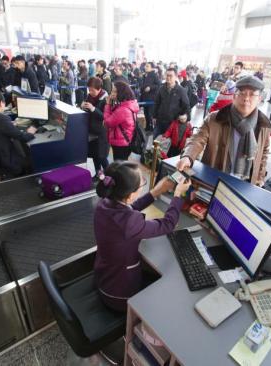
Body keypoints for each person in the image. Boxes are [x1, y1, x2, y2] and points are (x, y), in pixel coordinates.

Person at [94, 160, 191, 311]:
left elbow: (129, 207)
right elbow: (167, 225)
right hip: (120, 296)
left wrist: (155, 192)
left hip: (105, 278)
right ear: (131, 194)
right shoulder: (130, 222)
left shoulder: (104, 203)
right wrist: (178, 195)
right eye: (142, 184)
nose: (142, 186)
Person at [177, 76, 271, 187]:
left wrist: (260, 176)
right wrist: (188, 156)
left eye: (252, 94)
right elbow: (198, 139)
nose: (246, 98)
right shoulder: (215, 118)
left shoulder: (263, 125)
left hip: (245, 184)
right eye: (242, 93)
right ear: (234, 96)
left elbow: (264, 152)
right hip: (215, 180)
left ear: (259, 99)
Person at [103, 81, 139, 161]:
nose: (112, 93)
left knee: (119, 167)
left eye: (115, 91)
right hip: (125, 140)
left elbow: (108, 122)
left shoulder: (123, 110)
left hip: (121, 143)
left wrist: (107, 105)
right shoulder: (128, 104)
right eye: (112, 90)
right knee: (122, 165)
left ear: (121, 93)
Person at [81, 77, 109, 177]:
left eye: (92, 90)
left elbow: (105, 116)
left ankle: (110, 175)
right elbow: (86, 110)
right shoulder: (89, 96)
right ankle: (98, 174)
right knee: (94, 155)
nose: (90, 92)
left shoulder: (106, 99)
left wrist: (93, 108)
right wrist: (83, 106)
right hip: (91, 131)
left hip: (101, 133)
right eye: (89, 89)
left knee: (102, 156)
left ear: (99, 88)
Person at [153, 68, 190, 138]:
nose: (168, 77)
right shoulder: (161, 89)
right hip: (160, 121)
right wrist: (154, 116)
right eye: (167, 75)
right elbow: (157, 103)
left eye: (171, 76)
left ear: (176, 77)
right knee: (156, 141)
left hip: (173, 123)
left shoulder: (181, 90)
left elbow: (186, 106)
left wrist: (186, 117)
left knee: (170, 144)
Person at [140, 62, 161, 132]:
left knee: (150, 114)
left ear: (152, 68)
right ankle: (148, 127)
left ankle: (152, 128)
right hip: (145, 97)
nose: (145, 67)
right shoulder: (145, 75)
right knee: (146, 113)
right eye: (145, 66)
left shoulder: (154, 75)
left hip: (151, 98)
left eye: (147, 66)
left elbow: (158, 85)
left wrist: (150, 87)